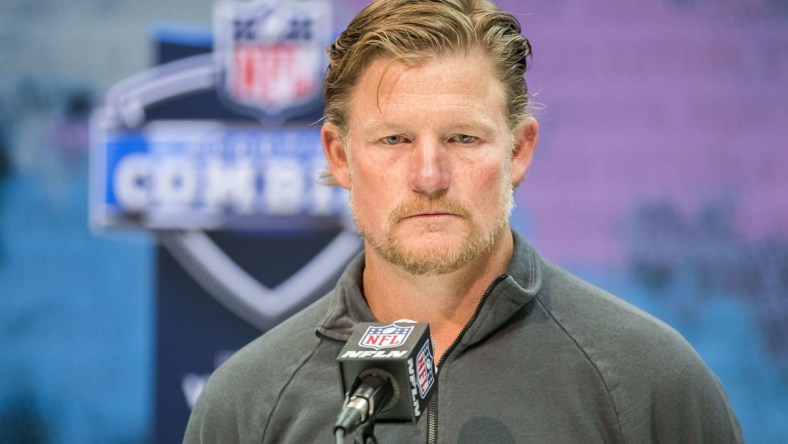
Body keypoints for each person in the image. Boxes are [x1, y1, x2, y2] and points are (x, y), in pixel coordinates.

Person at [184, 0, 744, 442]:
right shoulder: (248, 403)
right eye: (394, 139)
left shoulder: (651, 384)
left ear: (519, 150)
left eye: (463, 138)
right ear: (339, 156)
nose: (429, 175)